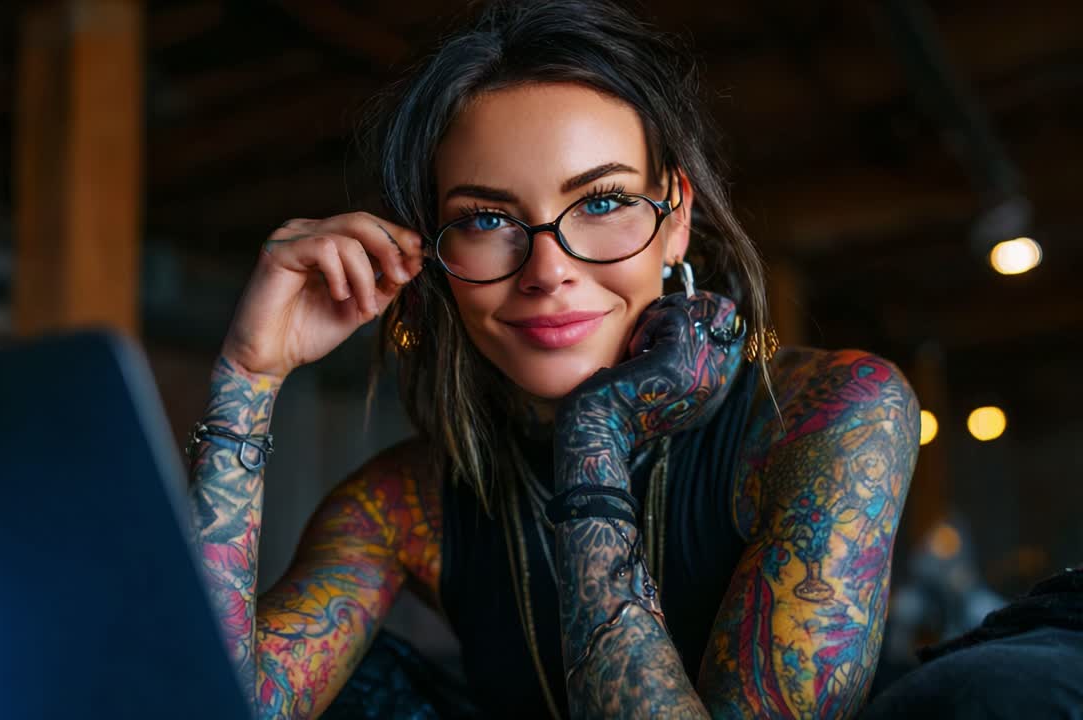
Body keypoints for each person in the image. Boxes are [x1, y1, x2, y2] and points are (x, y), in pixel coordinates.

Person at [187, 1, 920, 717]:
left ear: (676, 218)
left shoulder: (836, 413)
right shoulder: (404, 506)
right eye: (486, 219)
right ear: (431, 254)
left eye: (601, 202)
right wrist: (249, 377)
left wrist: (596, 427)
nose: (548, 270)